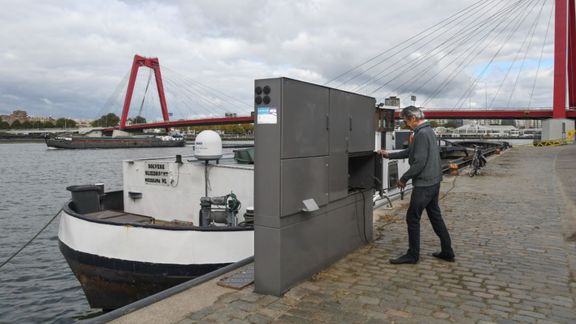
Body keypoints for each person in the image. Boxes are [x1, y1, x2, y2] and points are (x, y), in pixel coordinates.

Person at [378, 106, 455, 264]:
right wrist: (388, 154)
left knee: (412, 218)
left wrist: (404, 178)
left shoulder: (421, 134)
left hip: (424, 185)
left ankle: (413, 255)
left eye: (406, 121)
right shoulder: (428, 131)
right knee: (435, 217)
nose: (406, 124)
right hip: (434, 182)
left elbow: (419, 162)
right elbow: (410, 153)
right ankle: (447, 251)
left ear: (413, 118)